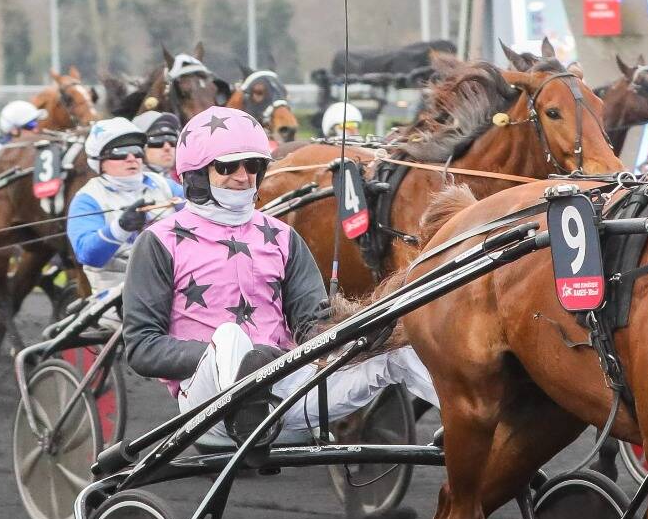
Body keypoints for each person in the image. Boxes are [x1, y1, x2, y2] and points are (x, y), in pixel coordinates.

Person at [122, 108, 435, 441]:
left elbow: (311, 326)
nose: (243, 177)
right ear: (197, 173)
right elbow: (143, 347)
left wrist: (358, 334)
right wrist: (233, 357)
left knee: (400, 351)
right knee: (231, 337)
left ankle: (480, 424)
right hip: (208, 408)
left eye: (254, 166)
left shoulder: (282, 237)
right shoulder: (158, 242)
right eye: (227, 167)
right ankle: (249, 416)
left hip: (286, 390)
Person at [66, 118, 182, 293]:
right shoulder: (87, 199)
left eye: (136, 151)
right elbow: (87, 255)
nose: (131, 158)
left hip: (173, 284)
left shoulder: (166, 185)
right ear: (99, 161)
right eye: (120, 152)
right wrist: (120, 228)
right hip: (118, 296)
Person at [132, 110, 181, 177]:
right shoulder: (129, 185)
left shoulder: (183, 182)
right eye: (157, 141)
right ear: (139, 148)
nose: (167, 147)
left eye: (172, 140)